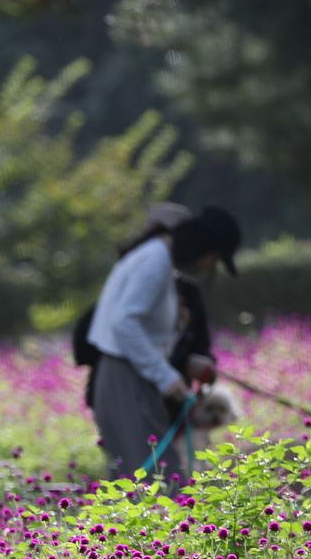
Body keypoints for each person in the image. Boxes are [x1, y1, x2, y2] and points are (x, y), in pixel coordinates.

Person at [84, 206, 240, 491]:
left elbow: (136, 323)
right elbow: (124, 323)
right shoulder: (155, 260)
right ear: (202, 245)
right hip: (127, 377)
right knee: (158, 480)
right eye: (213, 258)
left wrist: (176, 331)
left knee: (151, 476)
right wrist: (166, 377)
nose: (208, 267)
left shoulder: (157, 258)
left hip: (130, 376)